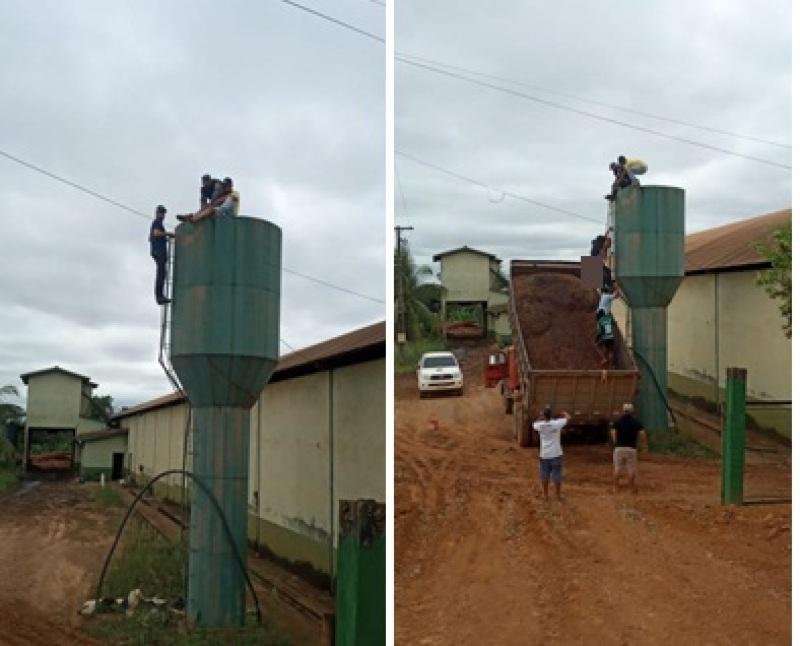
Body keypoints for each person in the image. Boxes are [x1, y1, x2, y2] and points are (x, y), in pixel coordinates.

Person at [532, 406, 571, 501]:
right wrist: (564, 413)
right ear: (551, 415)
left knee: (544, 475)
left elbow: (533, 424)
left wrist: (540, 417)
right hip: (556, 454)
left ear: (544, 416)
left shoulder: (540, 425)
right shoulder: (557, 424)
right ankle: (558, 495)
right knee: (557, 476)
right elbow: (568, 418)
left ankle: (545, 495)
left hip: (544, 454)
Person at [610, 403, 648, 493]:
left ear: (623, 411)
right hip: (631, 449)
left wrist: (616, 442)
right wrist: (645, 445)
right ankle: (631, 489)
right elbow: (643, 434)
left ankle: (615, 488)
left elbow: (613, 432)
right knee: (631, 469)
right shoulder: (636, 422)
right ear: (632, 411)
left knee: (617, 468)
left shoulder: (617, 422)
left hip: (619, 448)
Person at [149, 205, 174, 305]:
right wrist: (168, 234)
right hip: (159, 251)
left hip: (158, 250)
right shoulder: (157, 222)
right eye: (161, 212)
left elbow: (151, 236)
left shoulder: (158, 223)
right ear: (157, 213)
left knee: (162, 273)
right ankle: (159, 297)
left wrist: (166, 237)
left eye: (163, 213)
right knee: (161, 273)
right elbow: (156, 233)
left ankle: (160, 296)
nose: (163, 215)